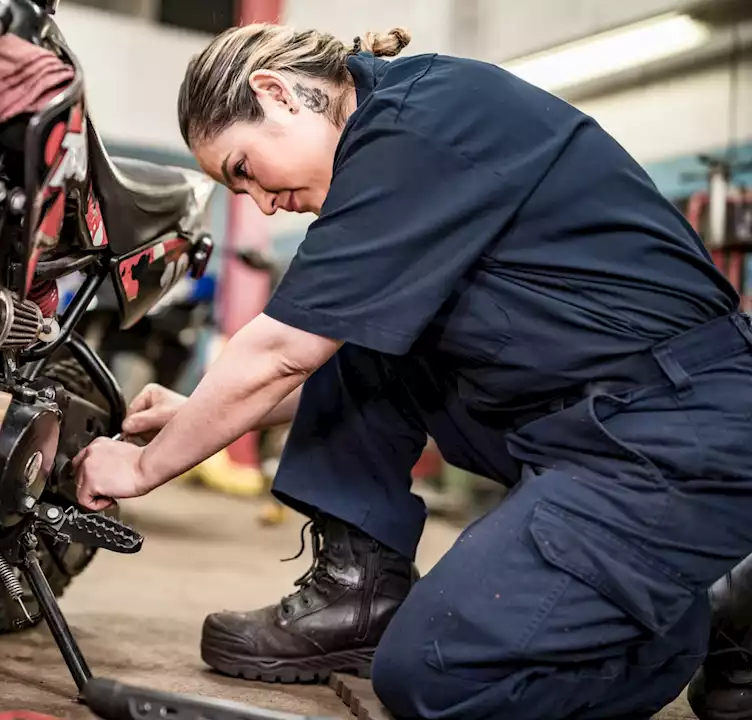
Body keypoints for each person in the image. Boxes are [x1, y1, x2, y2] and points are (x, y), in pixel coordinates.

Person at [71, 22, 752, 720]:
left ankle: (693, 618)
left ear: (275, 94)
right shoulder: (395, 140)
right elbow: (325, 363)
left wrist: (145, 467)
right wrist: (197, 417)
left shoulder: (424, 125)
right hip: (582, 424)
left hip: (672, 435)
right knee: (358, 328)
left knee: (436, 678)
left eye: (243, 170)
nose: (263, 204)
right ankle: (358, 593)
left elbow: (280, 353)